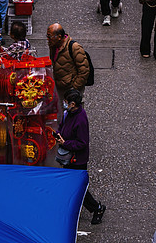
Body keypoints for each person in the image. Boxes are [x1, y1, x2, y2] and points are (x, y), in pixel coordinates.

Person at [54, 89, 106, 226]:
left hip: (77, 159)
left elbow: (82, 143)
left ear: (72, 104)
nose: (64, 104)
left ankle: (97, 208)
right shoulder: (68, 114)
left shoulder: (81, 119)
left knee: (78, 187)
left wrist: (65, 143)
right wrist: (59, 134)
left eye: (66, 102)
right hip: (69, 156)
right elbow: (62, 125)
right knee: (71, 185)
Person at [46, 23, 90, 99]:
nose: (48, 39)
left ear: (59, 37)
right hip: (60, 87)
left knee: (73, 110)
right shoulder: (53, 45)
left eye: (49, 36)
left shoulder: (75, 47)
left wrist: (74, 88)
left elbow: (84, 71)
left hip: (71, 89)